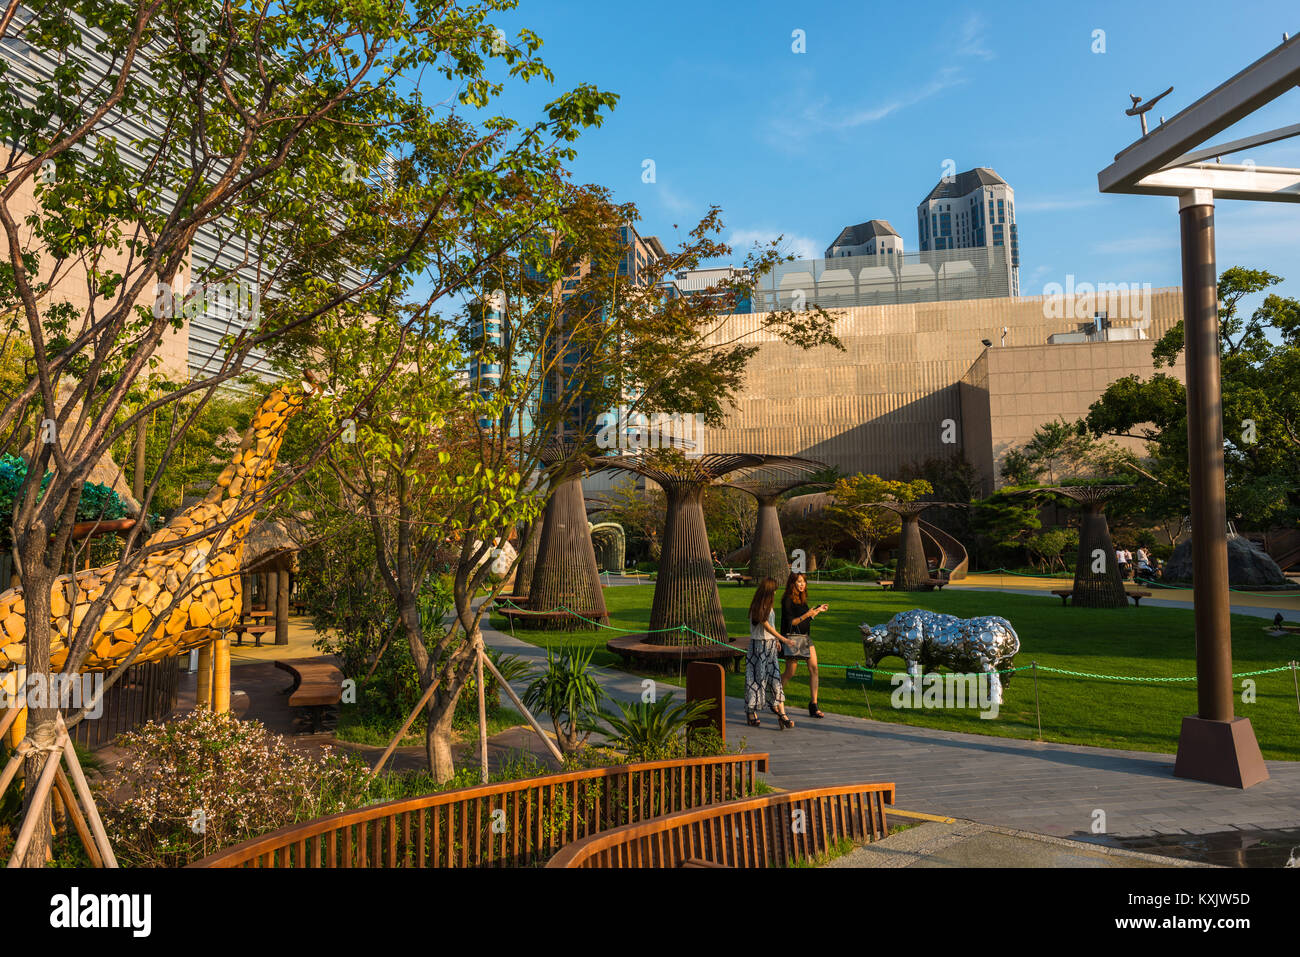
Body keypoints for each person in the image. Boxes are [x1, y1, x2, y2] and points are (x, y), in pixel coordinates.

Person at [745, 578, 796, 729]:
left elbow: (771, 626)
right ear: (768, 591)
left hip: (770, 647)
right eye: (774, 590)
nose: (775, 593)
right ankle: (751, 712)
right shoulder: (758, 606)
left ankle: (782, 714)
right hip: (758, 647)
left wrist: (777, 641)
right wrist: (783, 639)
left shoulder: (769, 605)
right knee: (756, 680)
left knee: (775, 680)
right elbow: (766, 626)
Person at [779, 571, 829, 718]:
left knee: (814, 669)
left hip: (806, 638)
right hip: (793, 639)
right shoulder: (787, 600)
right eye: (799, 582)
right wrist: (807, 614)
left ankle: (813, 704)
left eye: (804, 582)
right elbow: (792, 622)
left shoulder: (802, 599)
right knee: (790, 673)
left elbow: (805, 620)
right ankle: (775, 696)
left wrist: (817, 611)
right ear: (792, 583)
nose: (802, 584)